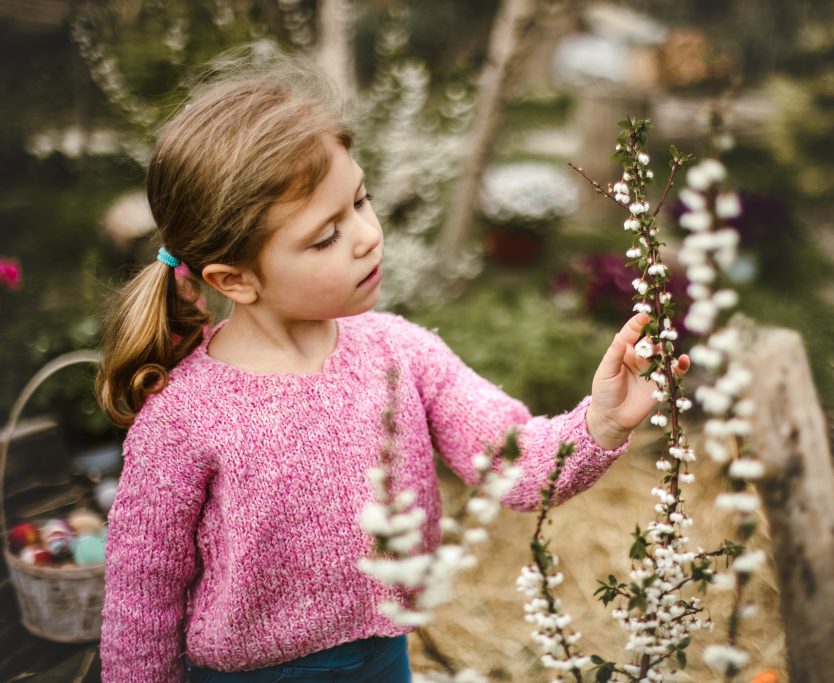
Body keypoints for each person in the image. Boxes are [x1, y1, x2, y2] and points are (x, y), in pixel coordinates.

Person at [95, 42, 689, 682]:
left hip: (383, 660)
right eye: (325, 236)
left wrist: (599, 423)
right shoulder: (183, 419)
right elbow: (140, 608)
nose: (367, 235)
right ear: (234, 280)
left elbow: (513, 465)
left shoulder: (398, 352)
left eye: (360, 200)